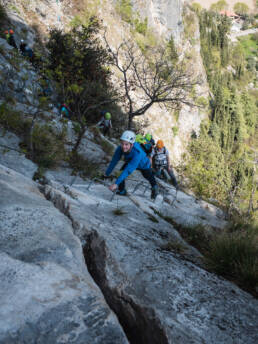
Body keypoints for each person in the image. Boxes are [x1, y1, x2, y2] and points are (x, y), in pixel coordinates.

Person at [105, 130, 158, 199]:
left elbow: (128, 170)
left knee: (148, 176)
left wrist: (116, 184)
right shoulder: (120, 148)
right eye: (122, 144)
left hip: (143, 164)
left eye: (126, 144)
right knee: (120, 172)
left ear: (132, 144)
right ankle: (122, 190)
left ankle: (155, 187)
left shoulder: (137, 153)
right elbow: (114, 161)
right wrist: (106, 174)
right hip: (131, 161)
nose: (124, 146)